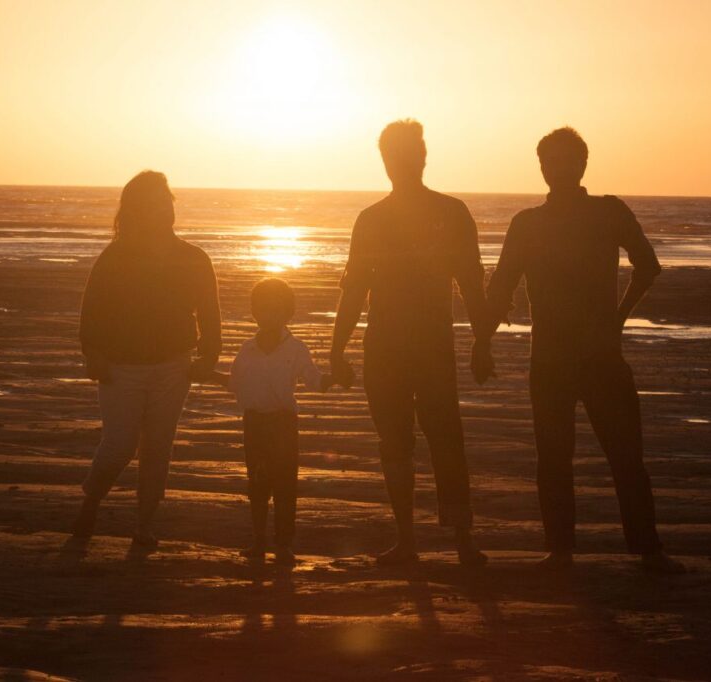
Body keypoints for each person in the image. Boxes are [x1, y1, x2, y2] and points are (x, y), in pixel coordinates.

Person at [482, 127, 684, 573]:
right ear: (541, 168)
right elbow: (500, 288)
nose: (555, 169)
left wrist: (619, 316)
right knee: (556, 456)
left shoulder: (605, 212)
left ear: (582, 164)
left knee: (624, 455)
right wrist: (481, 342)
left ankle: (646, 550)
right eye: (548, 162)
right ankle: (562, 550)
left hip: (598, 356)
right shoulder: (529, 223)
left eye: (564, 161)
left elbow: (648, 266)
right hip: (552, 358)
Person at [330, 119, 494, 567]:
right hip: (392, 347)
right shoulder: (382, 218)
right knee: (411, 441)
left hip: (417, 347)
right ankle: (421, 540)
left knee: (426, 439)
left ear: (419, 158)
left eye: (405, 154)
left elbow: (471, 285)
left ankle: (443, 539)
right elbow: (356, 289)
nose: (401, 162)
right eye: (397, 155)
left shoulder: (443, 214)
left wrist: (482, 341)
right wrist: (336, 348)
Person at [71, 171, 221, 550]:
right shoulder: (116, 256)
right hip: (121, 367)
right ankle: (92, 498)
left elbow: (209, 312)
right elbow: (93, 311)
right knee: (119, 445)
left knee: (158, 447)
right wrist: (94, 352)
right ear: (138, 208)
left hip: (173, 364)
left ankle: (145, 525)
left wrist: (210, 354)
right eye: (155, 201)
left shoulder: (192, 257)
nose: (164, 207)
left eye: (167, 200)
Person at [210, 278, 332, 566]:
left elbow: (313, 381)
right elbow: (235, 385)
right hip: (253, 423)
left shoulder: (297, 349)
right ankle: (258, 541)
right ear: (255, 312)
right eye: (263, 310)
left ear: (287, 313)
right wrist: (205, 374)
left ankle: (284, 544)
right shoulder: (247, 349)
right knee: (257, 482)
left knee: (285, 485)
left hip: (283, 424)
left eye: (276, 310)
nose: (269, 316)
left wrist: (333, 378)